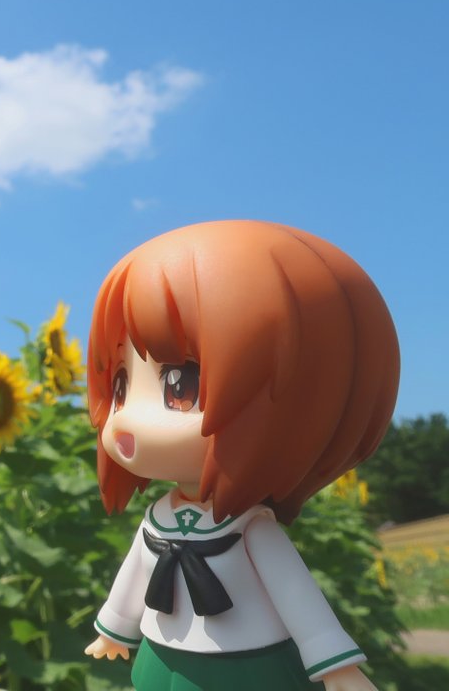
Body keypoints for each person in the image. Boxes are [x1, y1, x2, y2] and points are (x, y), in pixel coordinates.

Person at [82, 221, 399, 690]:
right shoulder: (157, 519)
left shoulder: (250, 528)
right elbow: (132, 578)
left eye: (180, 387)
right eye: (121, 387)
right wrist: (114, 629)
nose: (125, 420)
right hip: (159, 655)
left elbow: (298, 599)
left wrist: (337, 667)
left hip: (244, 667)